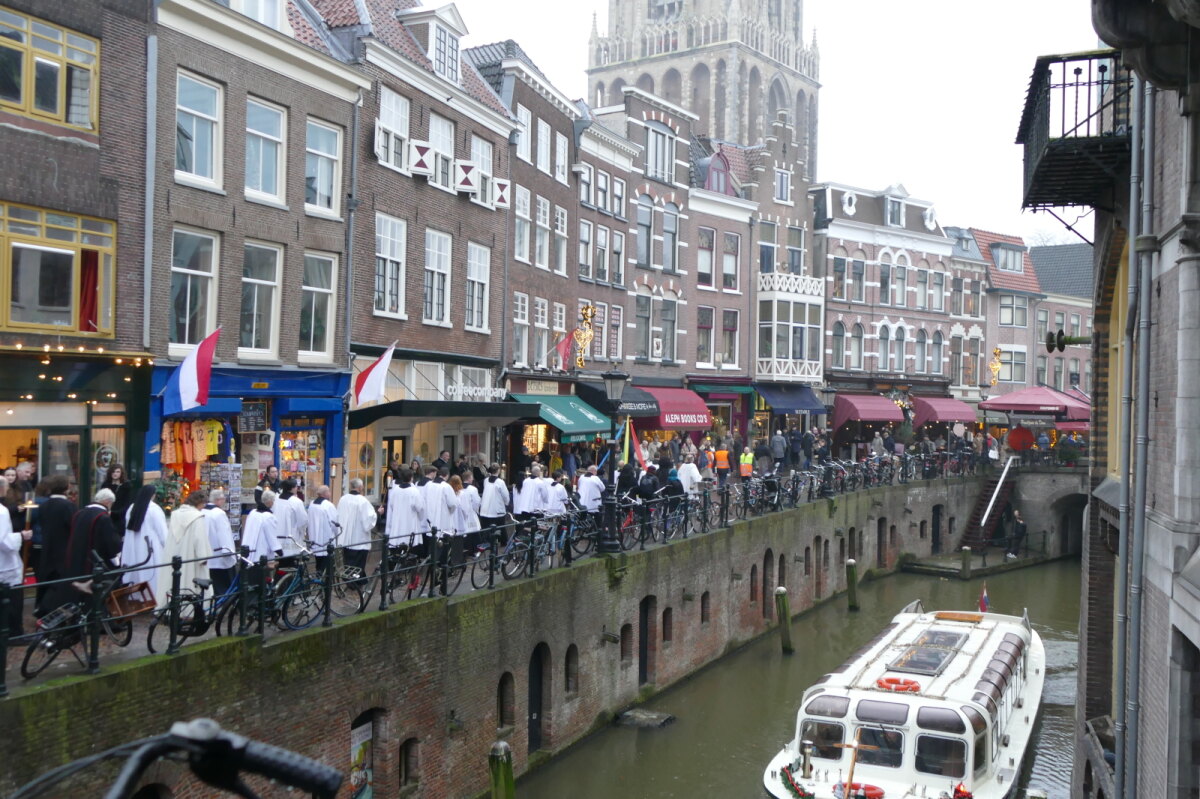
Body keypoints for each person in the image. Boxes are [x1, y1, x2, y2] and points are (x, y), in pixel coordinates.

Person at [41, 488, 122, 614]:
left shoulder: (80, 513)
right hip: (94, 560)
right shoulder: (103, 517)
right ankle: (97, 618)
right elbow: (110, 542)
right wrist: (116, 558)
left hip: (76, 557)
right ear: (107, 502)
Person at [157, 490, 212, 609]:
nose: (203, 508)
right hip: (190, 556)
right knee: (191, 583)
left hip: (175, 554)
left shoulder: (175, 515)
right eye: (203, 505)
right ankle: (189, 611)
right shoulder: (197, 518)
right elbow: (199, 539)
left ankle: (169, 608)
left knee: (174, 580)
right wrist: (203, 557)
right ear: (200, 503)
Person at [33, 475, 75, 609]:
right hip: (63, 550)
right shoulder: (69, 506)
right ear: (66, 487)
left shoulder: (44, 506)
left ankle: (42, 608)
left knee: (46, 580)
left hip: (47, 549)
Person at [0, 478, 32, 637]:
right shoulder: (2, 511)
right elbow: (3, 541)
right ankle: (12, 633)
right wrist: (21, 536)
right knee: (11, 600)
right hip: (4, 563)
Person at [121, 485, 167, 592]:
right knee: (152, 576)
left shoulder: (132, 507)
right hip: (150, 548)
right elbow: (162, 532)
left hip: (133, 547)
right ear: (153, 495)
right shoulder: (154, 509)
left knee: (136, 574)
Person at [338, 479, 378, 578]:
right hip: (358, 538)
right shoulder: (363, 501)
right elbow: (368, 521)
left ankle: (351, 579)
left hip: (345, 538)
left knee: (348, 562)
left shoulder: (343, 499)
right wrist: (378, 514)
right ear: (360, 487)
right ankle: (355, 582)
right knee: (358, 564)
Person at [202, 489, 237, 598]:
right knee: (223, 583)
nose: (224, 502)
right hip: (219, 554)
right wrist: (228, 552)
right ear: (218, 500)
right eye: (223, 499)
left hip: (207, 552)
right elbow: (224, 533)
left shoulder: (202, 511)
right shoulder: (219, 513)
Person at [386, 467, 427, 555]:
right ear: (411, 478)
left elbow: (392, 505)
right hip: (410, 521)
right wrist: (420, 518)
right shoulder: (414, 491)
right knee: (410, 544)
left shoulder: (395, 490)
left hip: (397, 521)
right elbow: (421, 508)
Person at [306, 485, 340, 575]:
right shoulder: (328, 505)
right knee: (327, 563)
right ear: (325, 493)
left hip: (314, 537)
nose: (330, 493)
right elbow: (334, 522)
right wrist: (336, 534)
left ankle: (319, 576)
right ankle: (326, 585)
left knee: (319, 561)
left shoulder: (312, 504)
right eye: (329, 491)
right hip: (326, 537)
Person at [275, 479, 307, 565]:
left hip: (277, 537)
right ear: (292, 488)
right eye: (296, 486)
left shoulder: (276, 499)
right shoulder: (296, 502)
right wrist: (302, 532)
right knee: (291, 564)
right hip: (291, 538)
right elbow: (303, 521)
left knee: (281, 563)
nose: (297, 488)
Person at [479, 465, 510, 546]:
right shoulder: (500, 482)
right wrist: (507, 503)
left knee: (487, 528)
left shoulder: (486, 480)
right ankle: (503, 542)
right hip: (496, 509)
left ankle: (487, 543)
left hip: (485, 509)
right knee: (500, 526)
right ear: (498, 471)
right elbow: (505, 495)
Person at [101, 463, 134, 534]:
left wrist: (115, 513)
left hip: (120, 517)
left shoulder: (126, 486)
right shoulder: (105, 485)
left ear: (121, 473)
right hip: (105, 516)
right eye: (113, 472)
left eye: (117, 472)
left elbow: (127, 504)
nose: (115, 474)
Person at [457, 470, 482, 555]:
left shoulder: (459, 488)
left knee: (465, 532)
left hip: (460, 514)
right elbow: (476, 502)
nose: (472, 479)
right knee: (473, 532)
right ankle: (474, 550)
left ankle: (465, 549)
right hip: (470, 513)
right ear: (469, 478)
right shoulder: (473, 489)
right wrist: (476, 510)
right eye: (472, 477)